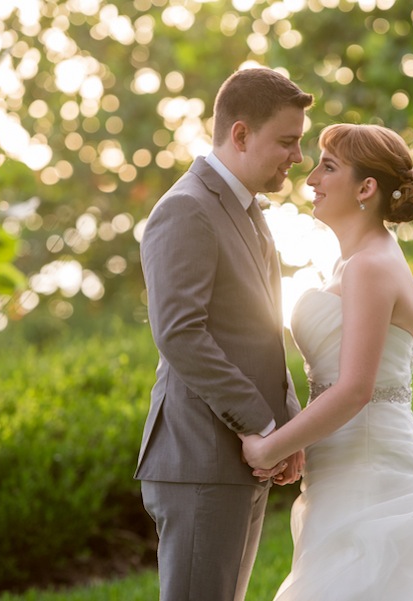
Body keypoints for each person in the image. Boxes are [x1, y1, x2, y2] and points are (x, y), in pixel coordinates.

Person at [240, 123, 413, 600]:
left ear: (366, 188)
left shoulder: (371, 266)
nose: (311, 177)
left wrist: (270, 447)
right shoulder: (353, 263)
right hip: (341, 467)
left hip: (370, 469)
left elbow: (356, 389)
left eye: (329, 167)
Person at [135, 68, 314, 601]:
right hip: (199, 460)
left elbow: (261, 329)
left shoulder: (246, 208)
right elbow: (180, 334)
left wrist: (286, 427)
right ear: (240, 135)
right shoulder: (186, 209)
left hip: (240, 457)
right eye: (287, 141)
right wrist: (260, 422)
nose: (297, 157)